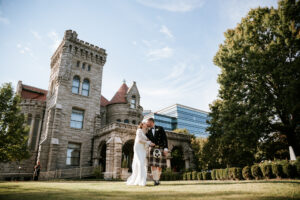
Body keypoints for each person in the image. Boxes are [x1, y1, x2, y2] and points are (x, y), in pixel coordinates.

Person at [126, 120, 155, 186]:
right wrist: (149, 142)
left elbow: (146, 140)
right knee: (140, 162)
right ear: (141, 125)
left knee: (143, 162)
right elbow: (139, 140)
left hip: (143, 148)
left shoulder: (145, 132)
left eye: (145, 123)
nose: (145, 124)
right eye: (144, 123)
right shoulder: (139, 130)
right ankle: (141, 181)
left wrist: (150, 142)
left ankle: (140, 180)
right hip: (138, 147)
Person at [146, 118, 168, 186]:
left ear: (151, 122)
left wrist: (166, 148)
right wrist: (149, 143)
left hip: (160, 148)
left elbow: (165, 138)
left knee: (160, 166)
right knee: (153, 165)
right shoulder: (147, 131)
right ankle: (156, 180)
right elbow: (144, 139)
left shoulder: (160, 128)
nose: (147, 124)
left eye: (148, 122)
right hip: (152, 149)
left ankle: (157, 179)